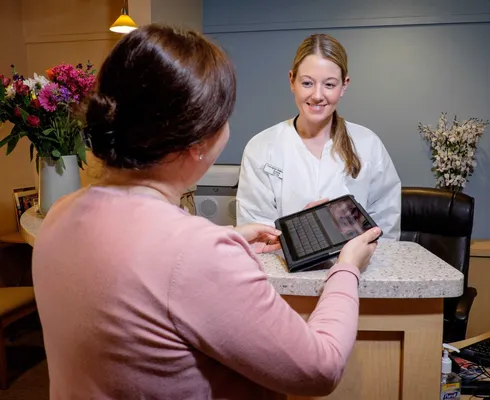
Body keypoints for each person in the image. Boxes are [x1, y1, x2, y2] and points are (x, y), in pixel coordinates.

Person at [31, 25, 382, 399]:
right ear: (199, 143)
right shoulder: (196, 254)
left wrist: (221, 242)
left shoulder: (60, 215)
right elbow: (321, 369)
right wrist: (346, 268)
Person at [236, 33, 402, 239]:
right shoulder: (261, 147)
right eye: (307, 83)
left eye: (329, 85)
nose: (317, 95)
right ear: (292, 81)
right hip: (282, 269)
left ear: (344, 86)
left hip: (358, 268)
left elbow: (385, 229)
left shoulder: (368, 145)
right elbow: (257, 231)